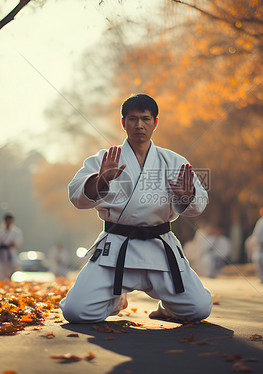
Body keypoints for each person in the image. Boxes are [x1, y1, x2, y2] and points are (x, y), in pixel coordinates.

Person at [59, 94, 212, 323]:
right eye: (132, 119)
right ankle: (116, 299)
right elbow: (76, 195)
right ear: (123, 123)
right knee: (75, 311)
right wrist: (101, 180)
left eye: (145, 119)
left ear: (155, 123)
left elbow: (199, 204)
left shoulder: (174, 161)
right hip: (117, 247)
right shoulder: (106, 159)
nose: (139, 125)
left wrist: (187, 196)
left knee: (199, 309)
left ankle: (167, 307)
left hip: (159, 249)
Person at [0, 212, 23, 281]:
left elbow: (18, 242)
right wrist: (1, 244)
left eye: (10, 220)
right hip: (0, 252)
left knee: (13, 267)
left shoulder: (16, 231)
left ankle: (9, 279)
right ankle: (0, 281)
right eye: (7, 220)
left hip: (10, 252)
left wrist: (12, 244)